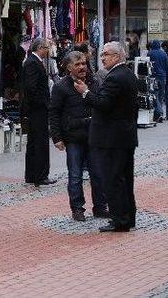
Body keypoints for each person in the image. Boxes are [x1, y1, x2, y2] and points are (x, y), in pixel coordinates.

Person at [73, 42, 138, 232]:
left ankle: (120, 220)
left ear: (117, 56)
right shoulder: (127, 74)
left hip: (112, 138)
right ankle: (128, 217)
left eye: (106, 54)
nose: (102, 58)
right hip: (124, 136)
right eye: (101, 54)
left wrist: (85, 92)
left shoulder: (115, 77)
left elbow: (103, 103)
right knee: (125, 179)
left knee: (114, 178)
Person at [49, 51, 108, 222]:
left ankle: (100, 207)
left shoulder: (94, 81)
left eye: (83, 63)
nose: (82, 67)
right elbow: (54, 112)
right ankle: (77, 208)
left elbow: (100, 102)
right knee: (75, 175)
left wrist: (87, 91)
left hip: (94, 135)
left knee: (98, 173)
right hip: (73, 136)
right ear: (69, 68)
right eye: (77, 64)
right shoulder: (61, 86)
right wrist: (57, 137)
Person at [21, 37, 56, 187]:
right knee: (39, 142)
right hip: (37, 110)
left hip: (37, 108)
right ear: (40, 48)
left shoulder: (34, 62)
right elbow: (31, 87)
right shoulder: (32, 63)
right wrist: (42, 104)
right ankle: (40, 175)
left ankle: (32, 174)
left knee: (34, 142)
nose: (48, 51)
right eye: (47, 48)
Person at [148, 40, 168, 122]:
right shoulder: (163, 53)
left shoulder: (150, 53)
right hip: (163, 77)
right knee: (160, 96)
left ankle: (159, 113)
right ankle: (158, 116)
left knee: (155, 95)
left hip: (153, 77)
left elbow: (148, 65)